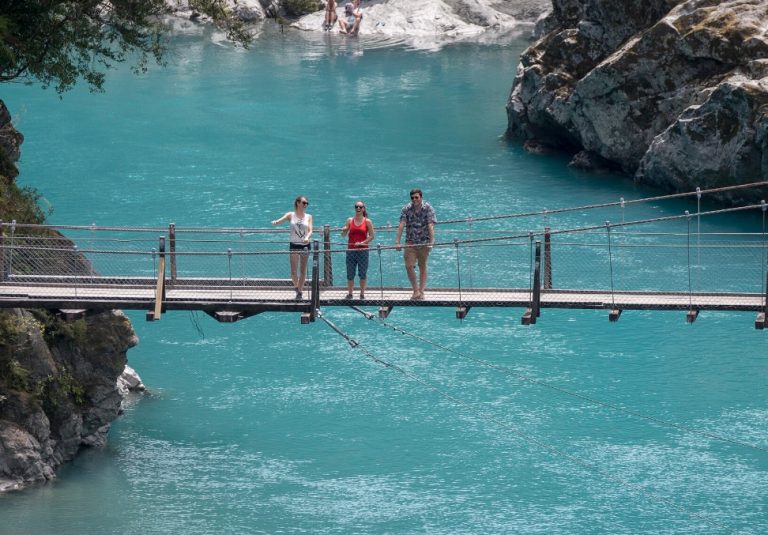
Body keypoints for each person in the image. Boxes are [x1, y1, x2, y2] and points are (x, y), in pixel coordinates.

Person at [395, 188, 436, 300]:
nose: (414, 200)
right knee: (409, 266)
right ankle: (415, 290)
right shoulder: (406, 209)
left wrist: (431, 242)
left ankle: (421, 292)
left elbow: (430, 225)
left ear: (421, 197)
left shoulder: (428, 208)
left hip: (424, 242)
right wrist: (397, 242)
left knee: (422, 266)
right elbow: (402, 224)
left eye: (416, 197)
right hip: (410, 242)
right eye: (412, 198)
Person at [271, 196, 313, 299]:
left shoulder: (309, 216)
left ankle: (300, 291)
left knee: (303, 271)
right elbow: (281, 220)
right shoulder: (291, 215)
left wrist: (307, 237)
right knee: (293, 272)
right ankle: (297, 287)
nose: (305, 205)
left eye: (307, 203)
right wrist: (276, 222)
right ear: (298, 203)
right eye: (304, 203)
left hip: (305, 246)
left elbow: (311, 230)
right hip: (294, 245)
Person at [340, 200, 375, 299]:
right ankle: (350, 293)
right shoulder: (350, 220)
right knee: (350, 273)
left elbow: (372, 236)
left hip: (363, 251)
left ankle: (362, 294)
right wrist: (344, 230)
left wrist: (362, 243)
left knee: (362, 273)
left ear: (363, 209)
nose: (358, 208)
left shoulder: (367, 221)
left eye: (360, 207)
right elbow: (343, 235)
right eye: (356, 207)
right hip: (351, 251)